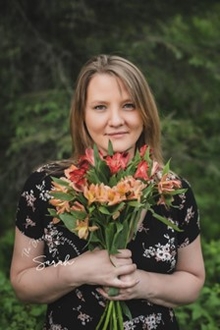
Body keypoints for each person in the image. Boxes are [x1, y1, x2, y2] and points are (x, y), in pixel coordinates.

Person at [10, 54, 205, 329]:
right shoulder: (47, 186)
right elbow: (22, 284)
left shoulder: (172, 191)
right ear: (82, 115)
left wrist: (143, 284)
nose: (116, 120)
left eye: (129, 105)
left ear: (146, 112)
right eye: (100, 107)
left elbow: (193, 281)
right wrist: (77, 271)